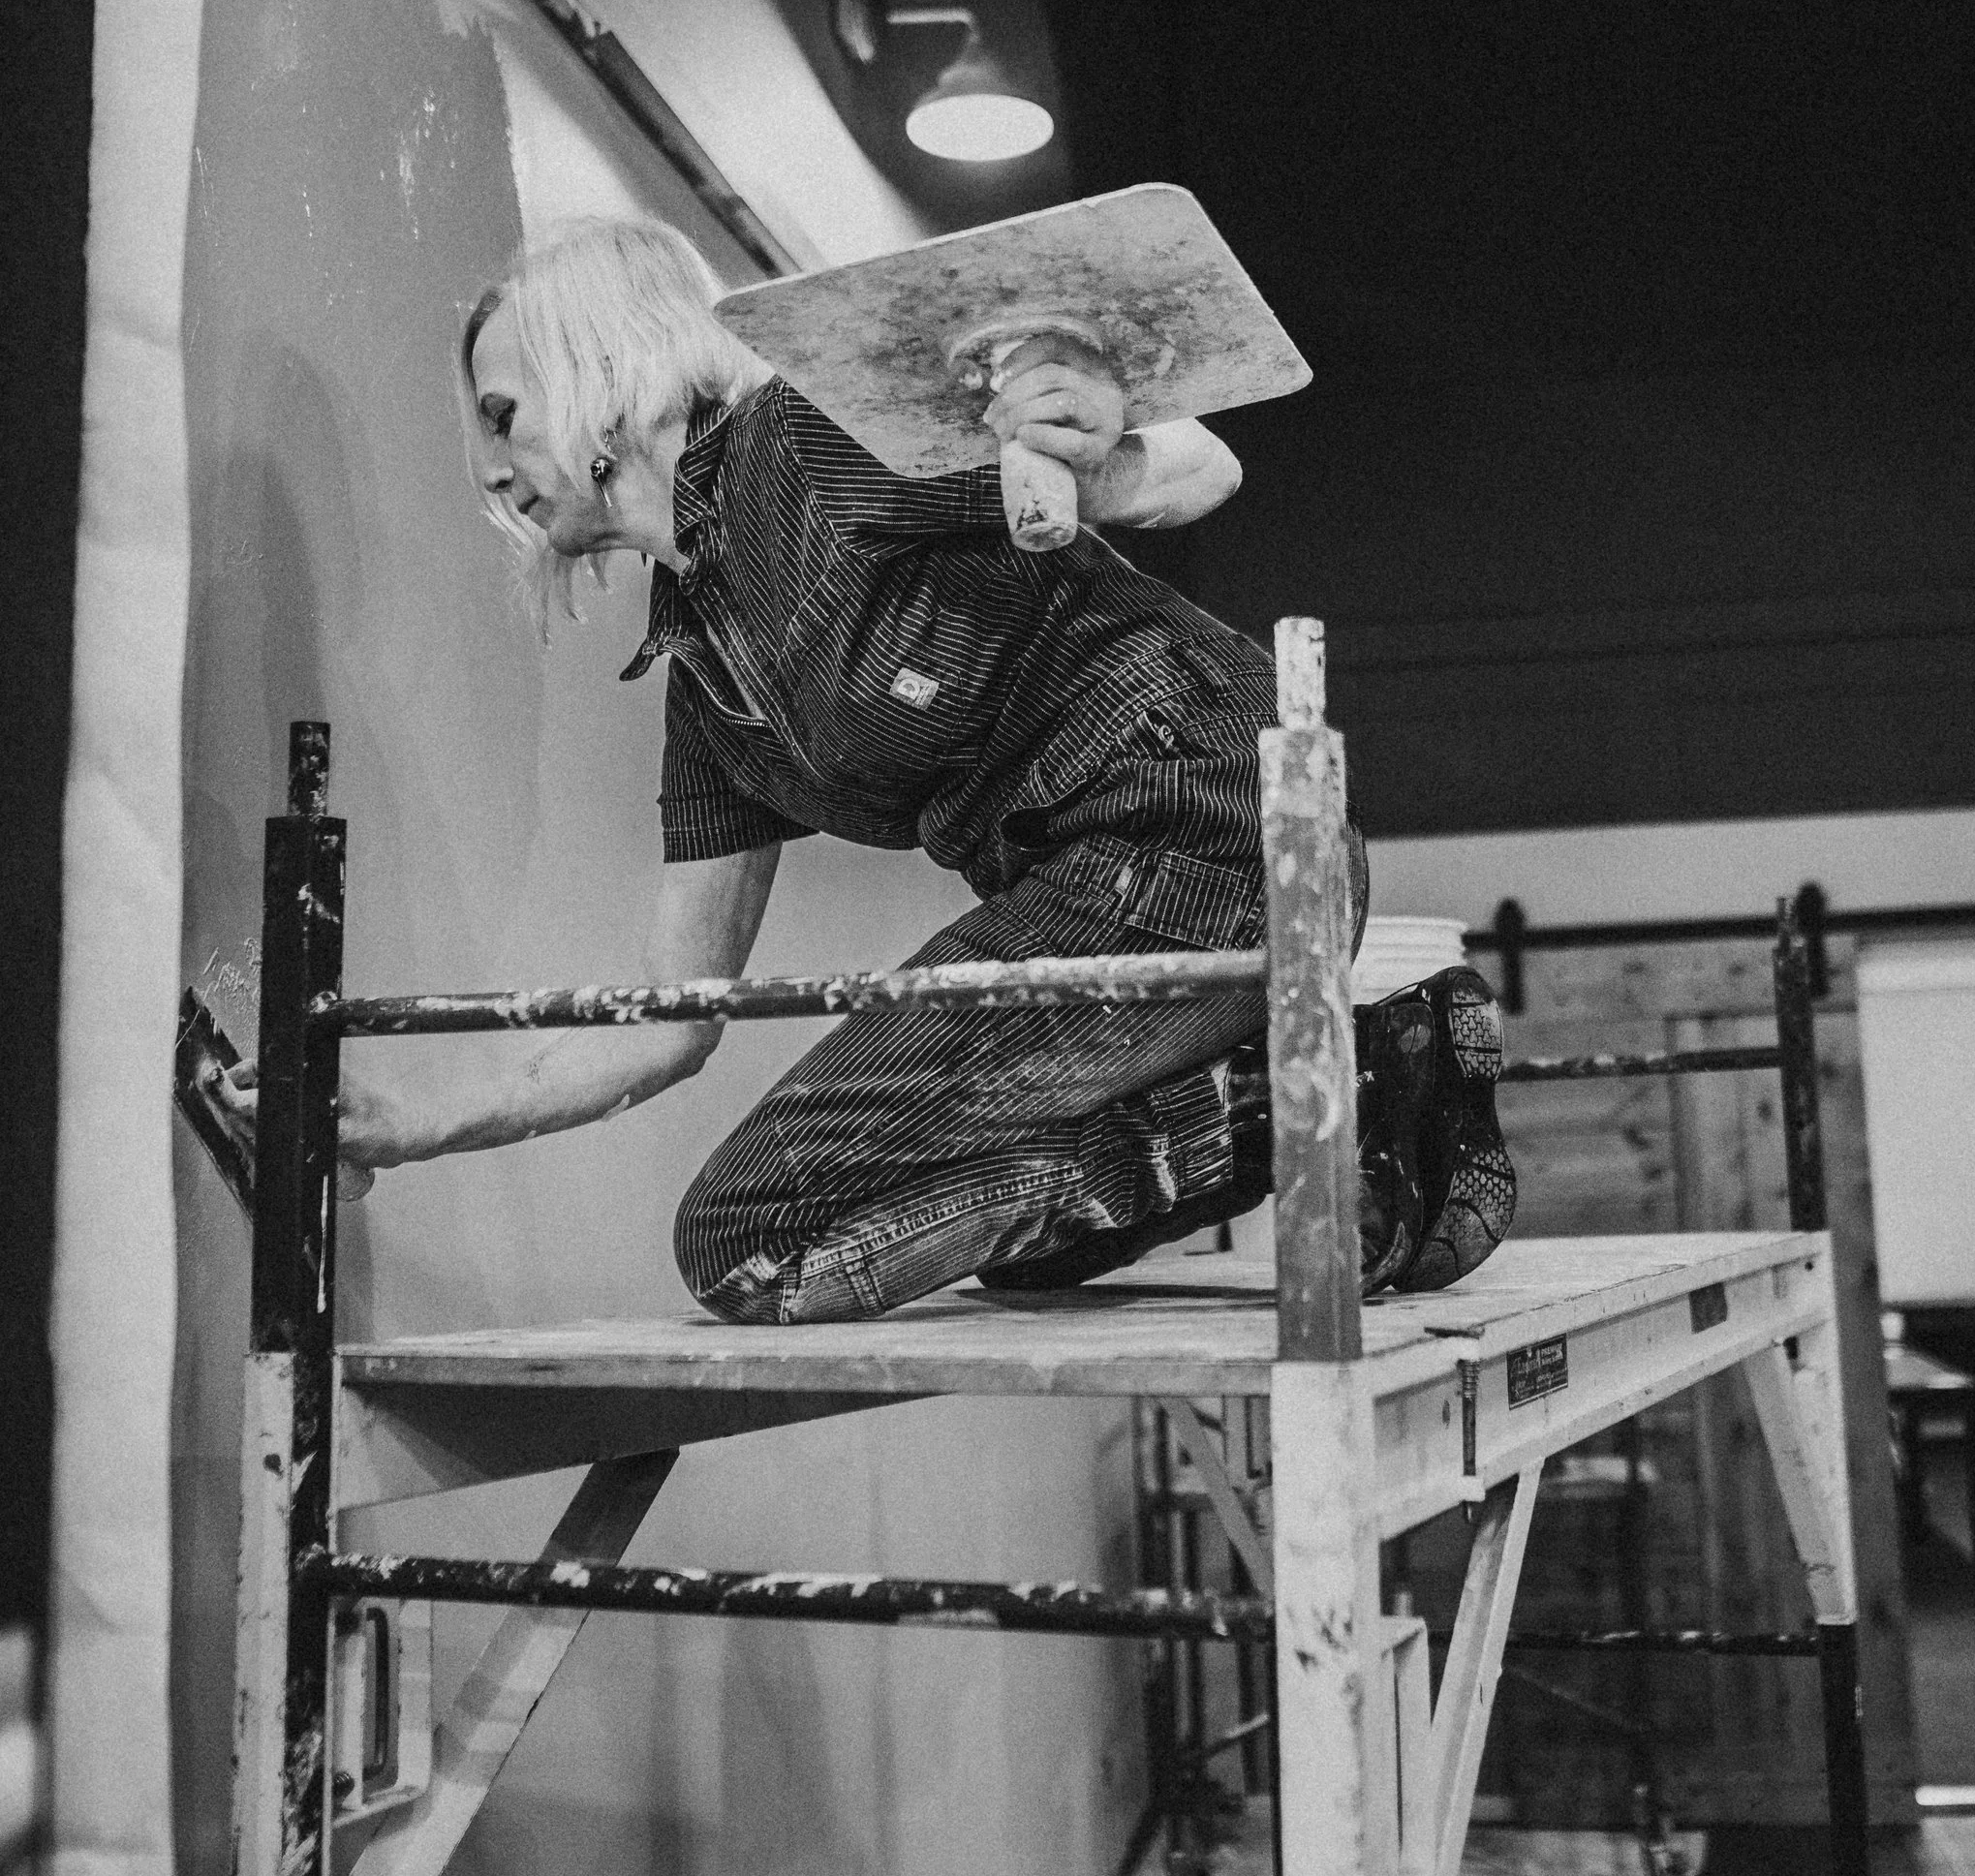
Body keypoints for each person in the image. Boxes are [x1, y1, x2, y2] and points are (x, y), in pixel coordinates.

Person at [292, 214, 1512, 1320]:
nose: (490, 471)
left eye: (504, 415)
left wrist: (1087, 454)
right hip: (1110, 898)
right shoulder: (711, 678)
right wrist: (418, 1125)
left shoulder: (801, 448)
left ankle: (1309, 1103)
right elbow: (667, 1024)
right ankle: (1350, 1076)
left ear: (597, 369)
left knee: (753, 1236)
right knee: (1010, 1245)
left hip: (1196, 833)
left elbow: (1200, 468)